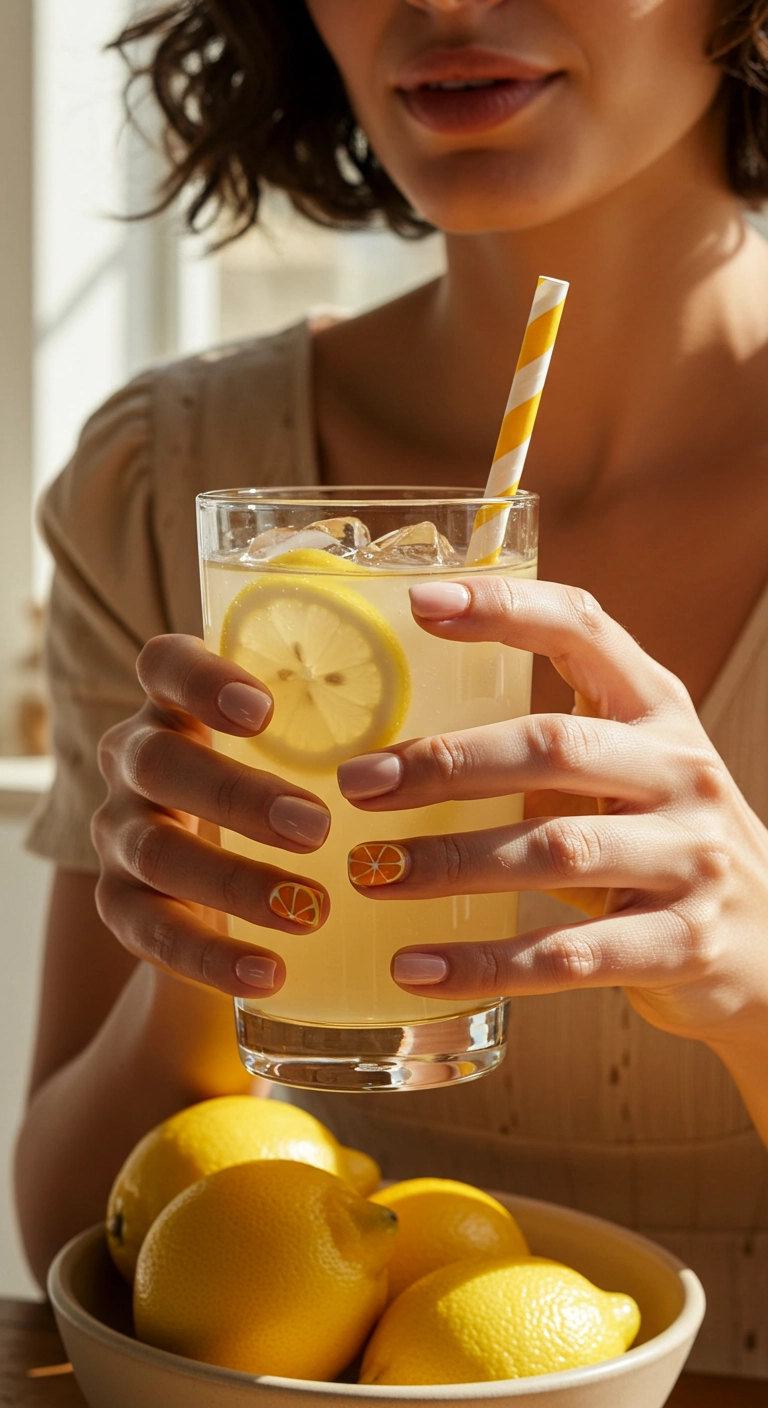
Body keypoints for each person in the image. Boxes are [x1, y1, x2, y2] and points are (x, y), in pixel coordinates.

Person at [14, 0, 768, 1377]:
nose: (447, 0)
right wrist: (213, 939)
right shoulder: (165, 480)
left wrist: (753, 985)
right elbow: (85, 1241)